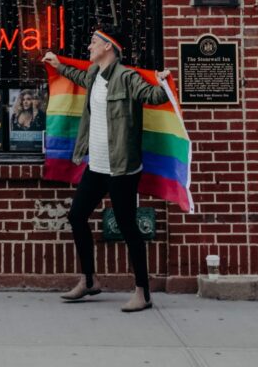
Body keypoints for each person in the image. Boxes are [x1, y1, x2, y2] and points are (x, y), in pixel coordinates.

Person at [43, 27, 171, 313]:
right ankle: (89, 280)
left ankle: (143, 292)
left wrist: (164, 84)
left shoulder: (127, 78)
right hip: (98, 164)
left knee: (127, 226)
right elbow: (77, 76)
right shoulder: (93, 75)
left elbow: (152, 96)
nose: (89, 46)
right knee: (77, 216)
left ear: (109, 47)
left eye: (94, 42)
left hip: (122, 167)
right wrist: (59, 66)